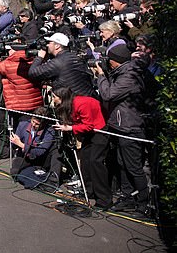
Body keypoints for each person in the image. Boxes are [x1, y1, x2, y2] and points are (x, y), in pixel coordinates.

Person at [94, 44, 149, 214]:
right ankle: (128, 197)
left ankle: (143, 202)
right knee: (122, 163)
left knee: (133, 167)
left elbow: (109, 94)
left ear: (116, 61)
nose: (107, 62)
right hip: (121, 125)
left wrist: (101, 76)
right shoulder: (123, 72)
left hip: (130, 126)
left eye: (109, 60)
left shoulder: (129, 76)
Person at [51, 87, 112, 210]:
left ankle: (104, 199)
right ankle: (88, 191)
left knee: (96, 162)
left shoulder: (81, 103)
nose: (52, 99)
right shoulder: (69, 105)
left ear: (61, 97)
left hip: (99, 130)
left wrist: (70, 128)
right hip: (89, 132)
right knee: (85, 160)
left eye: (54, 97)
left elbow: (88, 125)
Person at [28, 32, 96, 98]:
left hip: (71, 101)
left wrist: (39, 57)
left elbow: (32, 73)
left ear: (57, 46)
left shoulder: (57, 62)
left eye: (49, 43)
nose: (47, 45)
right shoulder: (74, 56)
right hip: (85, 96)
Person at [0, 44, 43, 114]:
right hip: (35, 103)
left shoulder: (7, 65)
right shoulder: (35, 62)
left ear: (13, 51)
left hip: (17, 105)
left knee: (19, 124)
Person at [9, 109, 56, 177]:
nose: (33, 125)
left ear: (43, 124)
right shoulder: (23, 124)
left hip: (40, 159)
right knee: (15, 172)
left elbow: (40, 151)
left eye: (37, 124)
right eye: (33, 121)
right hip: (24, 156)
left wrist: (21, 145)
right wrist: (13, 141)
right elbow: (14, 145)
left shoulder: (49, 131)